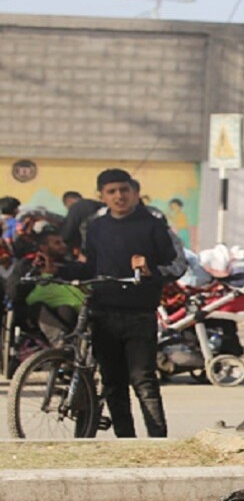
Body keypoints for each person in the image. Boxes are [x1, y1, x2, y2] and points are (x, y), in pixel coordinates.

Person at [56, 169, 182, 438]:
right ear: (101, 195)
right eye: (111, 191)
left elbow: (178, 265)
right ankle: (125, 440)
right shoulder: (95, 227)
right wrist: (56, 270)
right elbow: (90, 267)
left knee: (144, 381)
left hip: (140, 315)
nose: (119, 196)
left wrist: (149, 271)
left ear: (134, 192)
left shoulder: (153, 225)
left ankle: (158, 441)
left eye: (124, 190)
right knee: (113, 383)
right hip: (103, 314)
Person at [24, 230, 83, 346]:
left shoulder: (70, 268)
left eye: (63, 242)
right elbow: (16, 293)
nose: (63, 246)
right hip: (35, 317)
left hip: (68, 314)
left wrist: (56, 270)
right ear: (44, 247)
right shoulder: (26, 266)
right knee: (38, 307)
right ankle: (59, 341)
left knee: (65, 308)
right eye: (57, 243)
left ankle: (65, 345)